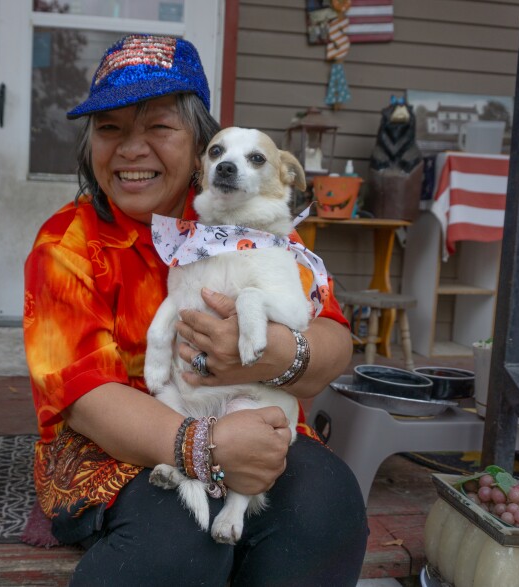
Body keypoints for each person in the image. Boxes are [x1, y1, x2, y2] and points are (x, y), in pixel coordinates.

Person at [24, 34, 368, 586]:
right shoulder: (67, 245)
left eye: (159, 126)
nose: (132, 149)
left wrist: (271, 355)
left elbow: (333, 341)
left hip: (249, 418)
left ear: (200, 143)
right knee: (176, 545)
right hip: (121, 446)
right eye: (110, 128)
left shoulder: (245, 212)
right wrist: (204, 446)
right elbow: (83, 396)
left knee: (326, 508)